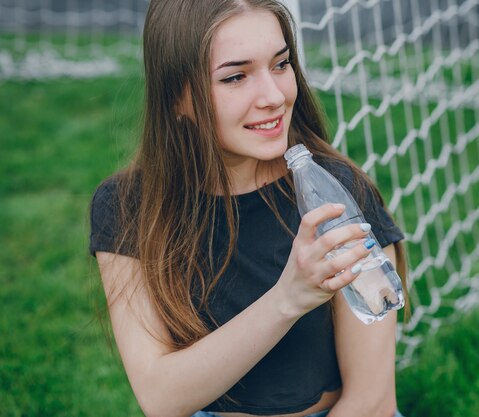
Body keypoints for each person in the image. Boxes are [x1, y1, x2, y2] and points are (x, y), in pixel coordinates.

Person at [89, 1, 408, 416]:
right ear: (177, 97)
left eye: (281, 64)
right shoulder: (129, 207)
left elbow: (372, 403)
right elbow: (161, 398)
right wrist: (287, 298)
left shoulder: (336, 196)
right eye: (236, 76)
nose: (274, 96)